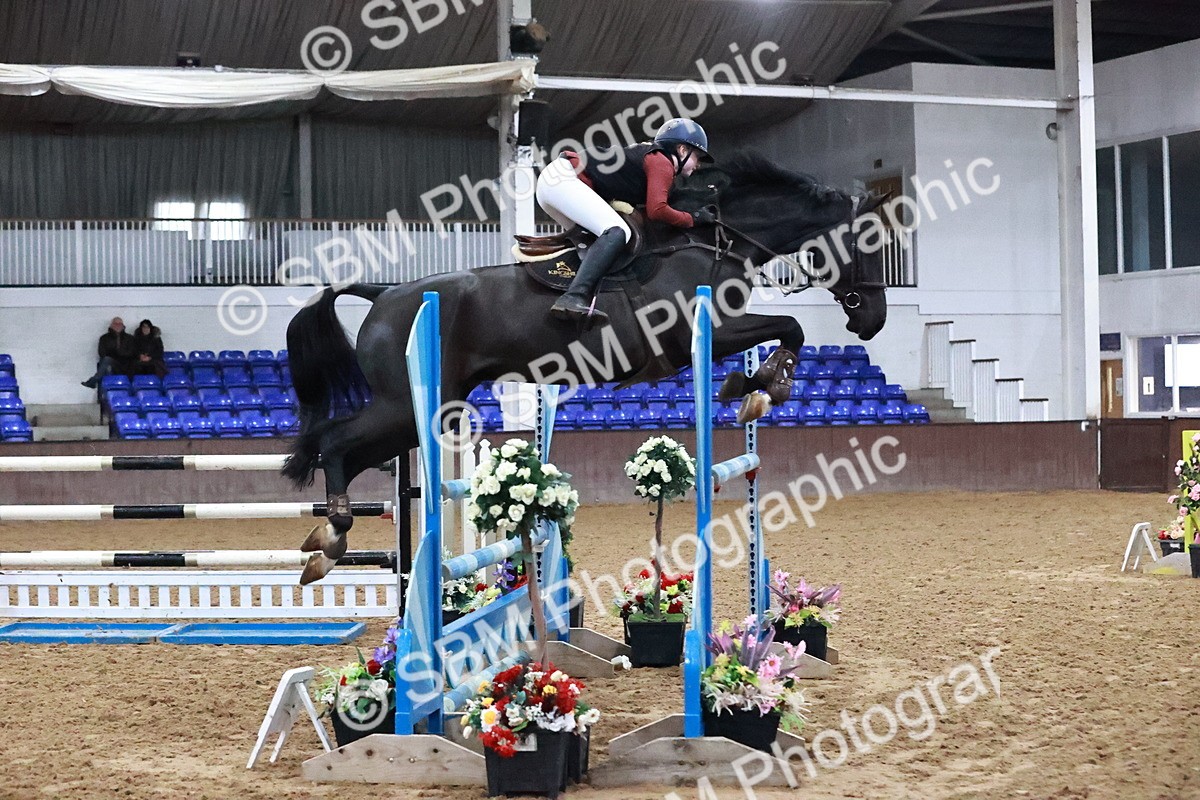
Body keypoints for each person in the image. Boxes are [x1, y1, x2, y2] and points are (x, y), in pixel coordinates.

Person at [536, 118, 718, 324]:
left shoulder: (653, 158)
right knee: (617, 231)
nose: (699, 164)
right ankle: (573, 297)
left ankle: (582, 296)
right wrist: (692, 219)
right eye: (697, 156)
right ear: (682, 150)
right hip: (563, 180)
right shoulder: (662, 162)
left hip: (555, 182)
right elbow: (657, 210)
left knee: (598, 245)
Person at [81, 317, 135, 388]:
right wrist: (117, 354)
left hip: (126, 365)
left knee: (107, 362)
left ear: (123, 325)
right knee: (107, 363)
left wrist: (117, 353)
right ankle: (106, 392)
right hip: (111, 363)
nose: (118, 325)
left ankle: (93, 381)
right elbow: (102, 353)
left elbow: (132, 352)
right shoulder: (104, 338)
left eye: (120, 324)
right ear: (111, 325)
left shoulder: (130, 338)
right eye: (115, 324)